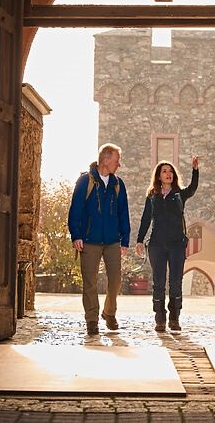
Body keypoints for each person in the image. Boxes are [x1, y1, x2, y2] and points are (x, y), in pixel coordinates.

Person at [67, 143, 131, 336]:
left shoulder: (118, 184)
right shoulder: (85, 181)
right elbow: (75, 210)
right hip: (89, 240)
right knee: (90, 282)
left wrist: (125, 239)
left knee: (116, 280)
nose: (118, 165)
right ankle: (92, 320)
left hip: (112, 240)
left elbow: (123, 213)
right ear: (105, 160)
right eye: (116, 161)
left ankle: (109, 313)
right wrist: (76, 235)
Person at [135, 156, 199, 332]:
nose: (168, 174)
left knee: (176, 281)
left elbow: (193, 188)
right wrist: (140, 240)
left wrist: (195, 170)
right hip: (156, 244)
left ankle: (174, 318)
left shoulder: (179, 194)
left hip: (177, 244)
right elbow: (146, 218)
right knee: (159, 282)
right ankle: (159, 318)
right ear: (158, 176)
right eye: (164, 171)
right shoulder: (152, 197)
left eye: (170, 171)